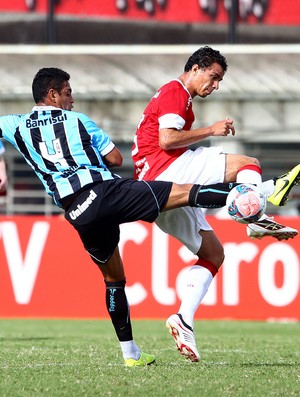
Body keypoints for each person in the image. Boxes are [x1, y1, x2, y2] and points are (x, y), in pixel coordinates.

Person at [0, 67, 260, 367]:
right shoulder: (79, 121)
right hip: (106, 192)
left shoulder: (15, 125)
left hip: (77, 212)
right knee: (186, 192)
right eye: (68, 93)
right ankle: (245, 201)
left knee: (113, 279)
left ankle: (131, 354)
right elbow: (115, 159)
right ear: (53, 94)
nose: (72, 99)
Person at [131, 46, 300, 362]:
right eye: (214, 77)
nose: (216, 85)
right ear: (195, 68)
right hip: (165, 170)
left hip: (157, 193)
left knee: (213, 254)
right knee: (247, 163)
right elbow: (167, 140)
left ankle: (183, 318)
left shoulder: (179, 96)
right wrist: (211, 130)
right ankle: (259, 209)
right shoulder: (175, 90)